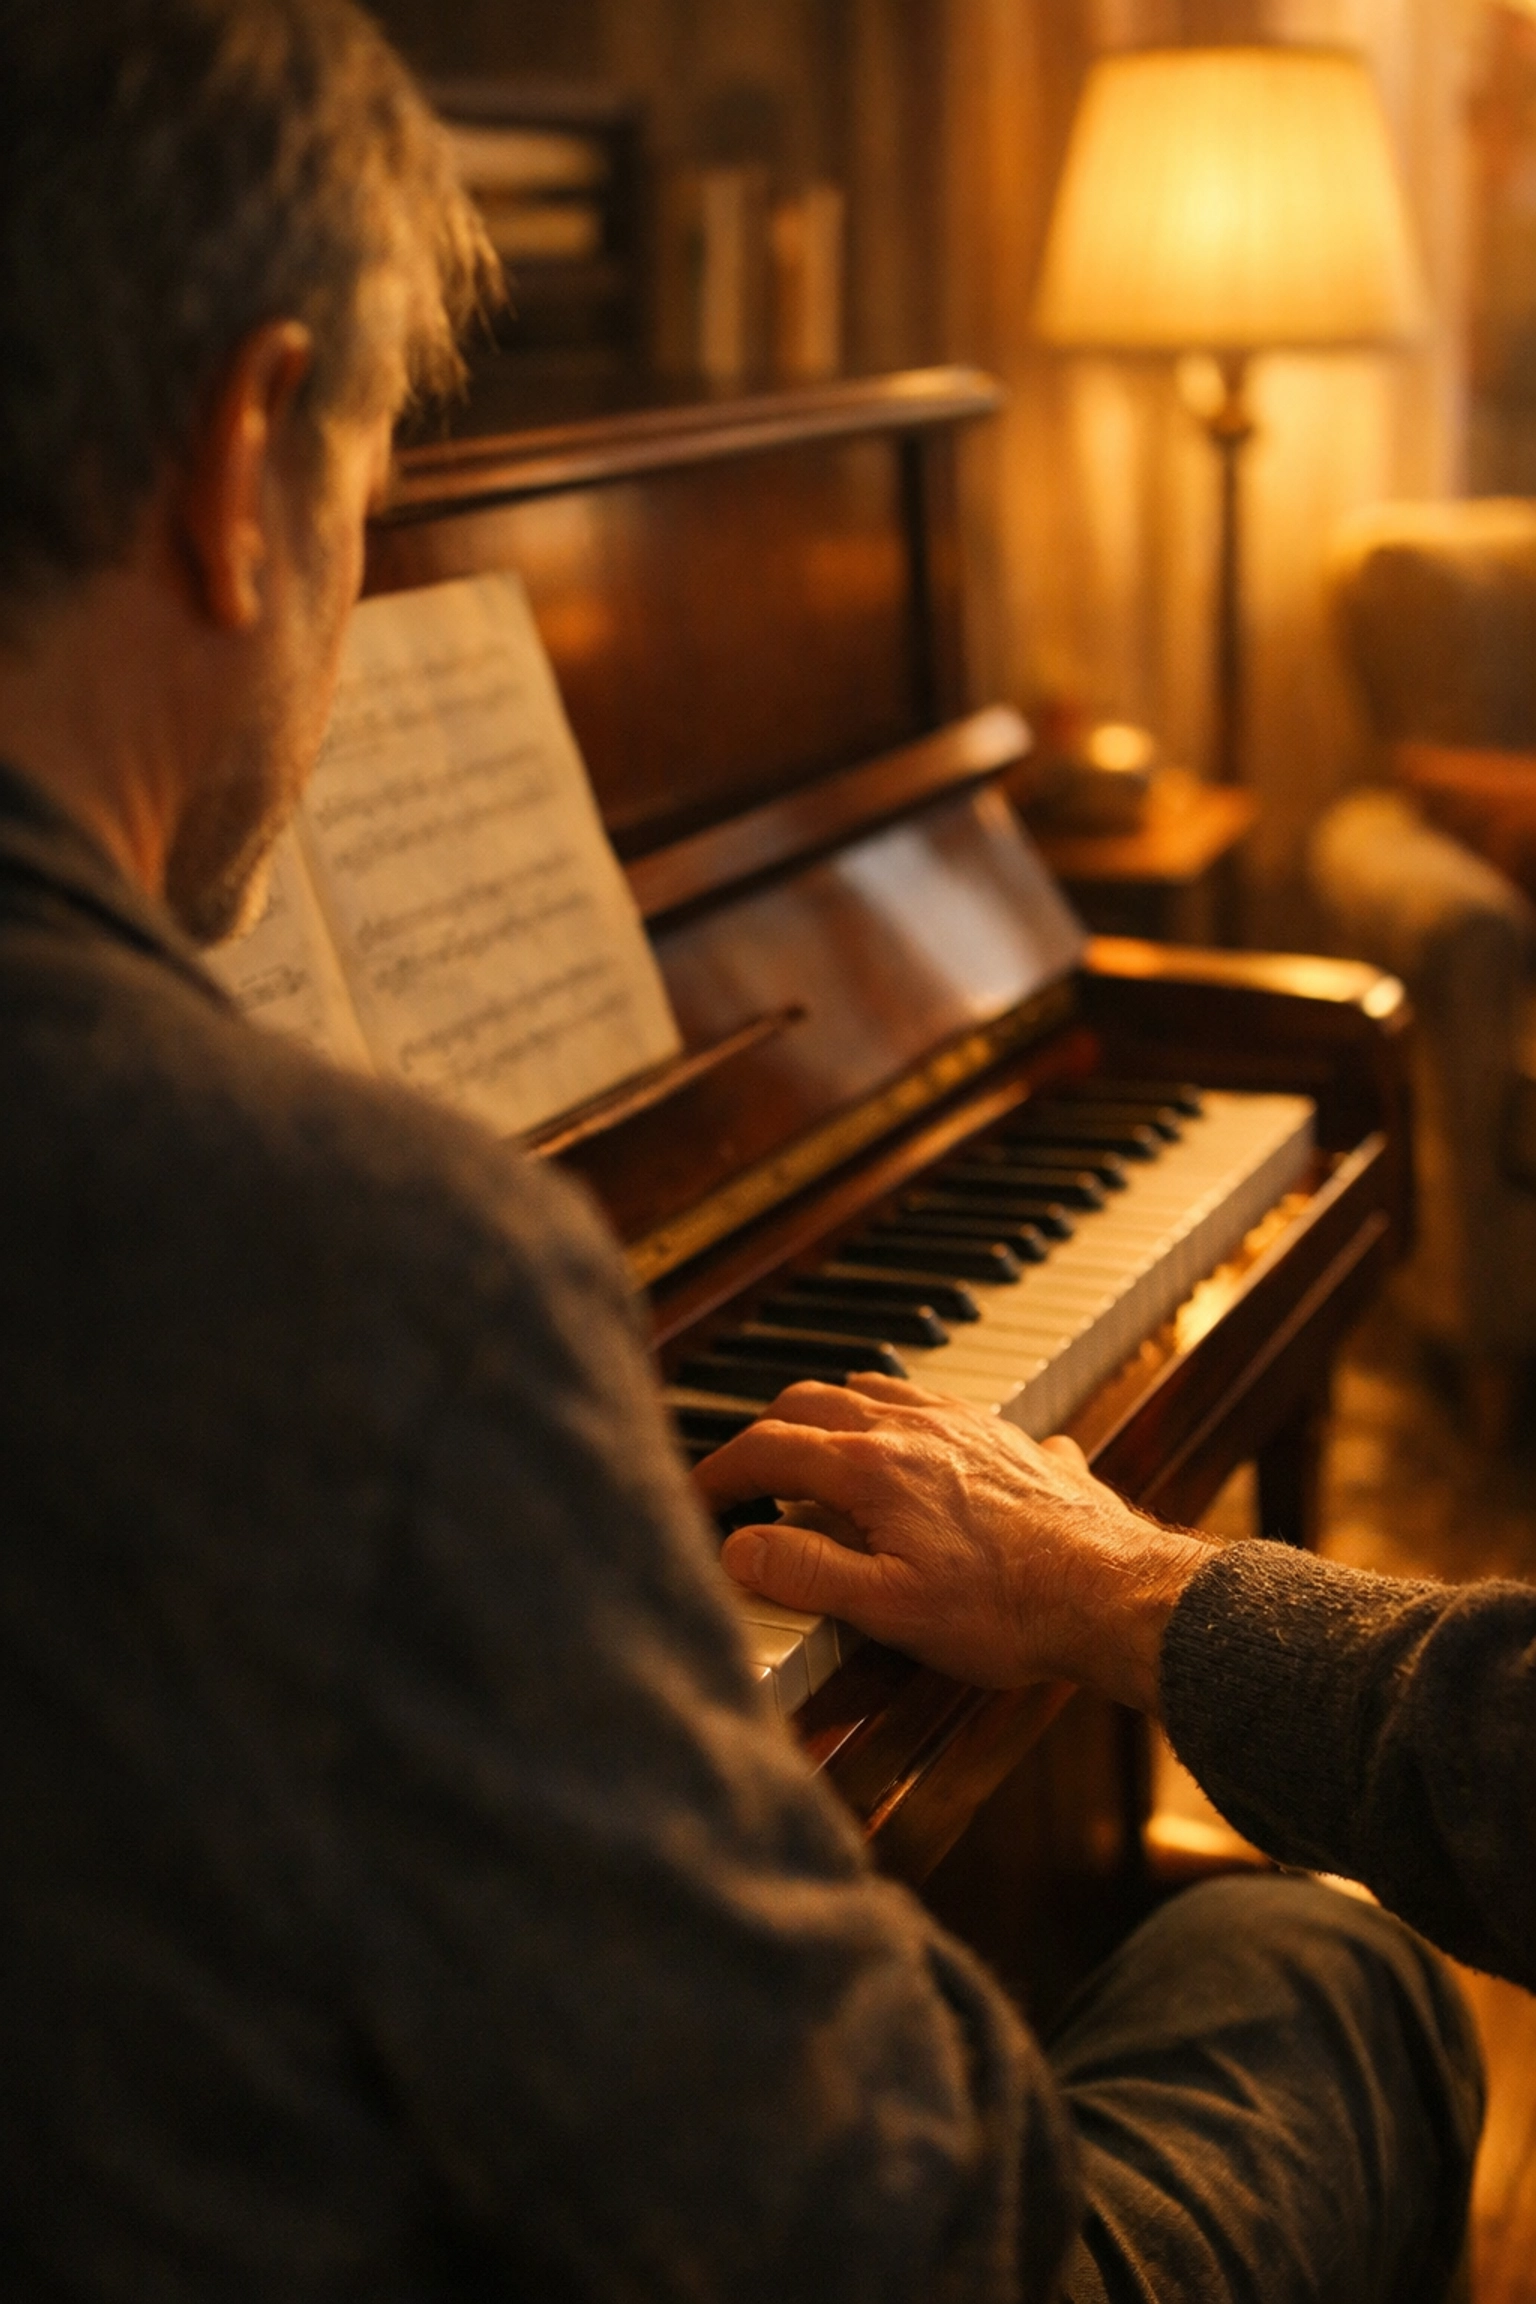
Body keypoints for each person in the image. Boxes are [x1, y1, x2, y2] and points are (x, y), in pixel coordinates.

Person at [0, 3, 1481, 2299]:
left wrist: (1134, 1599)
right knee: (1317, 1969)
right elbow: (936, 2254)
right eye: (380, 491)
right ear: (242, 455)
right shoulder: (378, 1281)